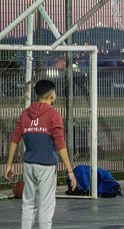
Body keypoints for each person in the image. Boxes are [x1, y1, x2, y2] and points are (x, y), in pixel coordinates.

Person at [4, 80, 78, 229]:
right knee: (45, 205)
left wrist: (9, 164)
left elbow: (14, 140)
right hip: (46, 166)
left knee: (28, 204)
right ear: (52, 95)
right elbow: (60, 145)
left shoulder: (25, 114)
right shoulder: (54, 115)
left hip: (29, 166)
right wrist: (70, 171)